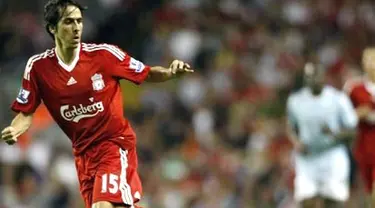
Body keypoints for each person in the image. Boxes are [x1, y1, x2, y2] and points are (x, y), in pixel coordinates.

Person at [0, 0, 193, 208]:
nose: (76, 27)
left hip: (113, 144)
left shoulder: (104, 55)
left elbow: (146, 73)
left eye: (79, 21)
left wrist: (170, 73)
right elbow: (26, 113)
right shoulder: (38, 68)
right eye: (68, 22)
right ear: (52, 28)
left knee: (103, 206)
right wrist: (15, 129)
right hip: (83, 155)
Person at [286, 62, 357, 208]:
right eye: (309, 76)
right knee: (307, 202)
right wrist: (296, 142)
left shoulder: (338, 99)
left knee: (333, 203)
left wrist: (334, 133)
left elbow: (353, 130)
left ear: (324, 76)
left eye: (316, 75)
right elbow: (290, 126)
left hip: (332, 156)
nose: (313, 79)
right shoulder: (295, 101)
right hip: (308, 158)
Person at [344, 48, 375, 207]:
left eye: (373, 59)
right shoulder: (354, 88)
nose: (370, 64)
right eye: (367, 59)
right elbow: (343, 117)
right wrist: (357, 114)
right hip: (364, 146)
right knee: (369, 192)